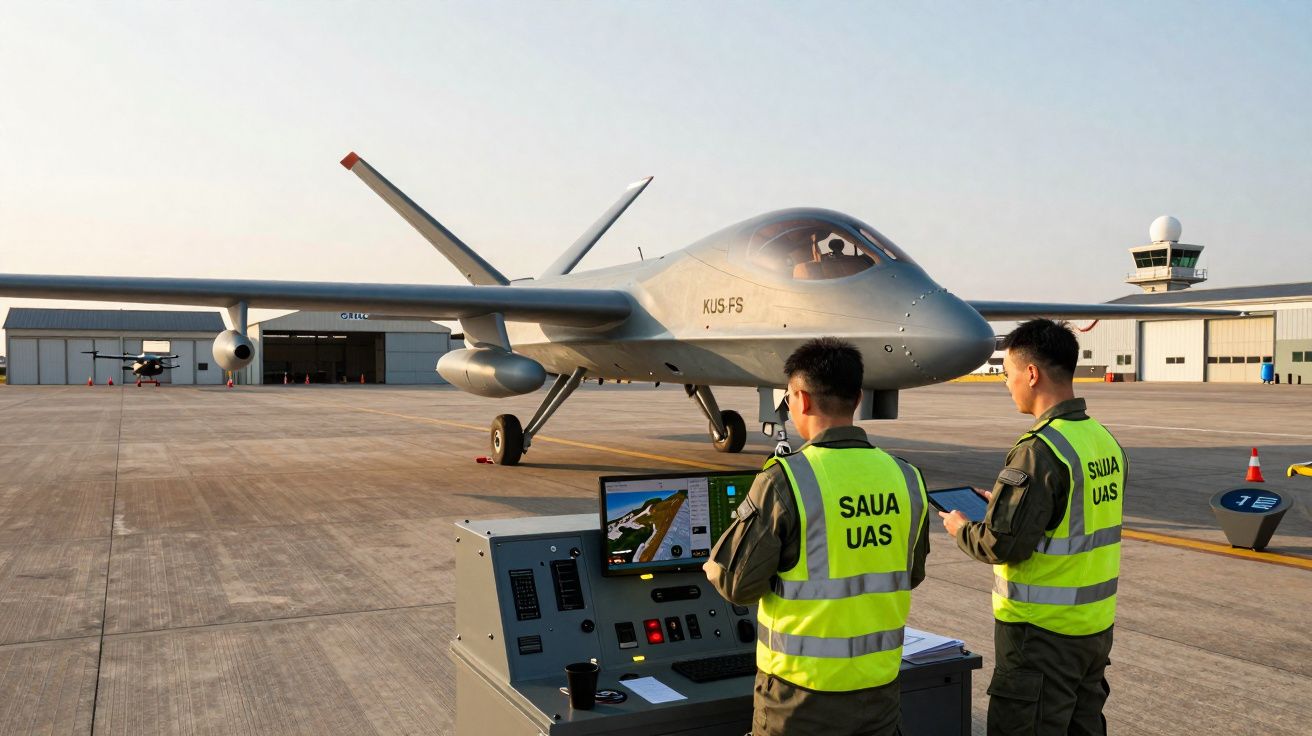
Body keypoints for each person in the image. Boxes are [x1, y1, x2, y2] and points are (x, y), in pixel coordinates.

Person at [703, 337, 929, 736]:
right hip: (879, 692)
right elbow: (910, 573)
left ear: (801, 400)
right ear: (857, 398)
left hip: (799, 700)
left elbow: (737, 585)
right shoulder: (906, 477)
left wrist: (713, 565)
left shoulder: (785, 479)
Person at [939, 318, 1126, 735]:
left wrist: (961, 528)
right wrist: (1009, 506)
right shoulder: (1104, 441)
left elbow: (1002, 545)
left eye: (1007, 375)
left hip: (1041, 636)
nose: (1006, 385)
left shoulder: (1040, 450)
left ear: (1032, 374)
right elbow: (1072, 516)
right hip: (1093, 629)